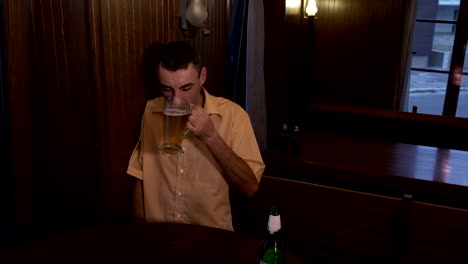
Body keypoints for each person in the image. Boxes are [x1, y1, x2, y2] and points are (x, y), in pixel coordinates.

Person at [127, 41, 265, 231]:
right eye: (167, 89)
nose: (176, 100)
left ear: (202, 76)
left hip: (210, 239)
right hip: (159, 236)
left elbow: (250, 187)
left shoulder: (233, 115)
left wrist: (211, 137)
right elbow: (139, 175)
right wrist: (140, 228)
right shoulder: (151, 110)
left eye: (185, 88)